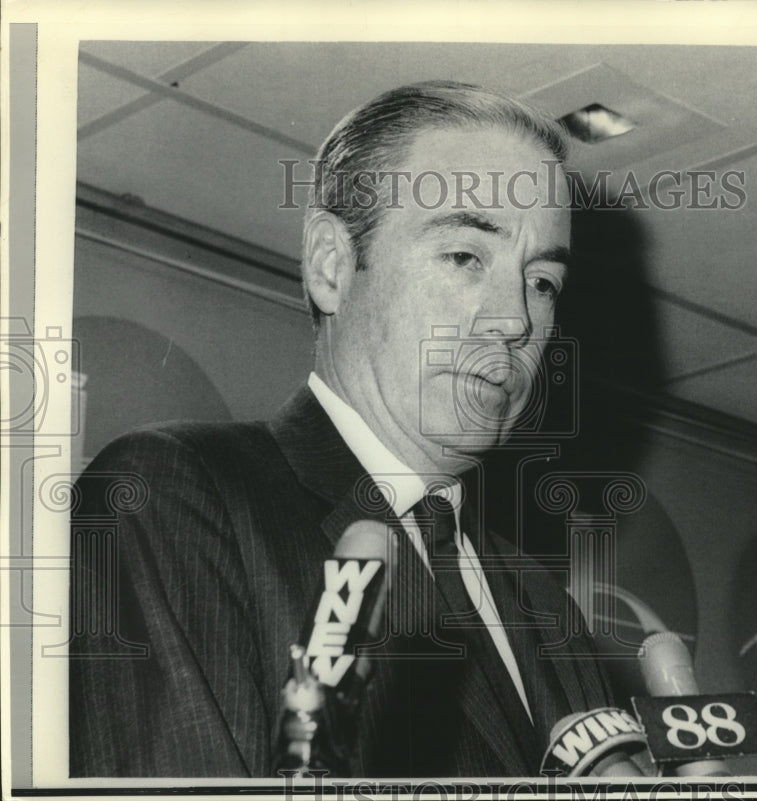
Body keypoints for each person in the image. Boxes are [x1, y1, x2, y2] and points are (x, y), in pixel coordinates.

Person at [69, 81, 615, 778]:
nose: (516, 319)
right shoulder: (171, 493)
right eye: (465, 256)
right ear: (332, 265)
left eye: (543, 282)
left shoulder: (547, 608)